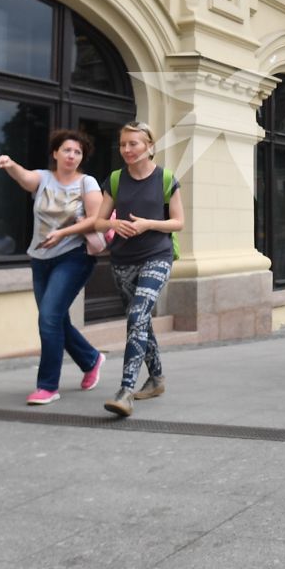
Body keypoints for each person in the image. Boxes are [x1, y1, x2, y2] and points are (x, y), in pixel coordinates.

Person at [0, 131, 107, 405]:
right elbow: (24, 176)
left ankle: (47, 386)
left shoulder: (87, 182)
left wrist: (63, 233)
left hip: (74, 256)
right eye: (67, 150)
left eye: (77, 152)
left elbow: (95, 219)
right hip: (40, 259)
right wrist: (10, 164)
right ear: (55, 153)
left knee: (48, 317)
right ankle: (91, 358)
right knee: (54, 318)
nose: (72, 156)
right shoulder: (43, 179)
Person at [91, 122, 183, 418]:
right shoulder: (116, 179)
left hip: (157, 255)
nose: (127, 150)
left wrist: (148, 224)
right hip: (123, 260)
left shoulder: (166, 179)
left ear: (149, 147)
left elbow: (178, 222)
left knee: (137, 314)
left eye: (134, 144)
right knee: (141, 319)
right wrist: (113, 224)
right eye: (123, 145)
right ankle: (156, 378)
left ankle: (126, 390)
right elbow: (98, 222)